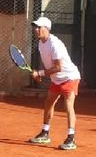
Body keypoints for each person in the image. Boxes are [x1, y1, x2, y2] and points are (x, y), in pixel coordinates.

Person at [28, 16, 82, 150]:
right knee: (49, 102)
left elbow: (58, 67)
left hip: (69, 76)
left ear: (47, 29)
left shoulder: (55, 44)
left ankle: (71, 138)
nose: (36, 29)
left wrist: (40, 73)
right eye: (36, 27)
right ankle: (45, 133)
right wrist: (42, 75)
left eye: (39, 27)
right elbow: (48, 64)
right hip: (56, 79)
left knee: (68, 105)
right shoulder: (41, 43)